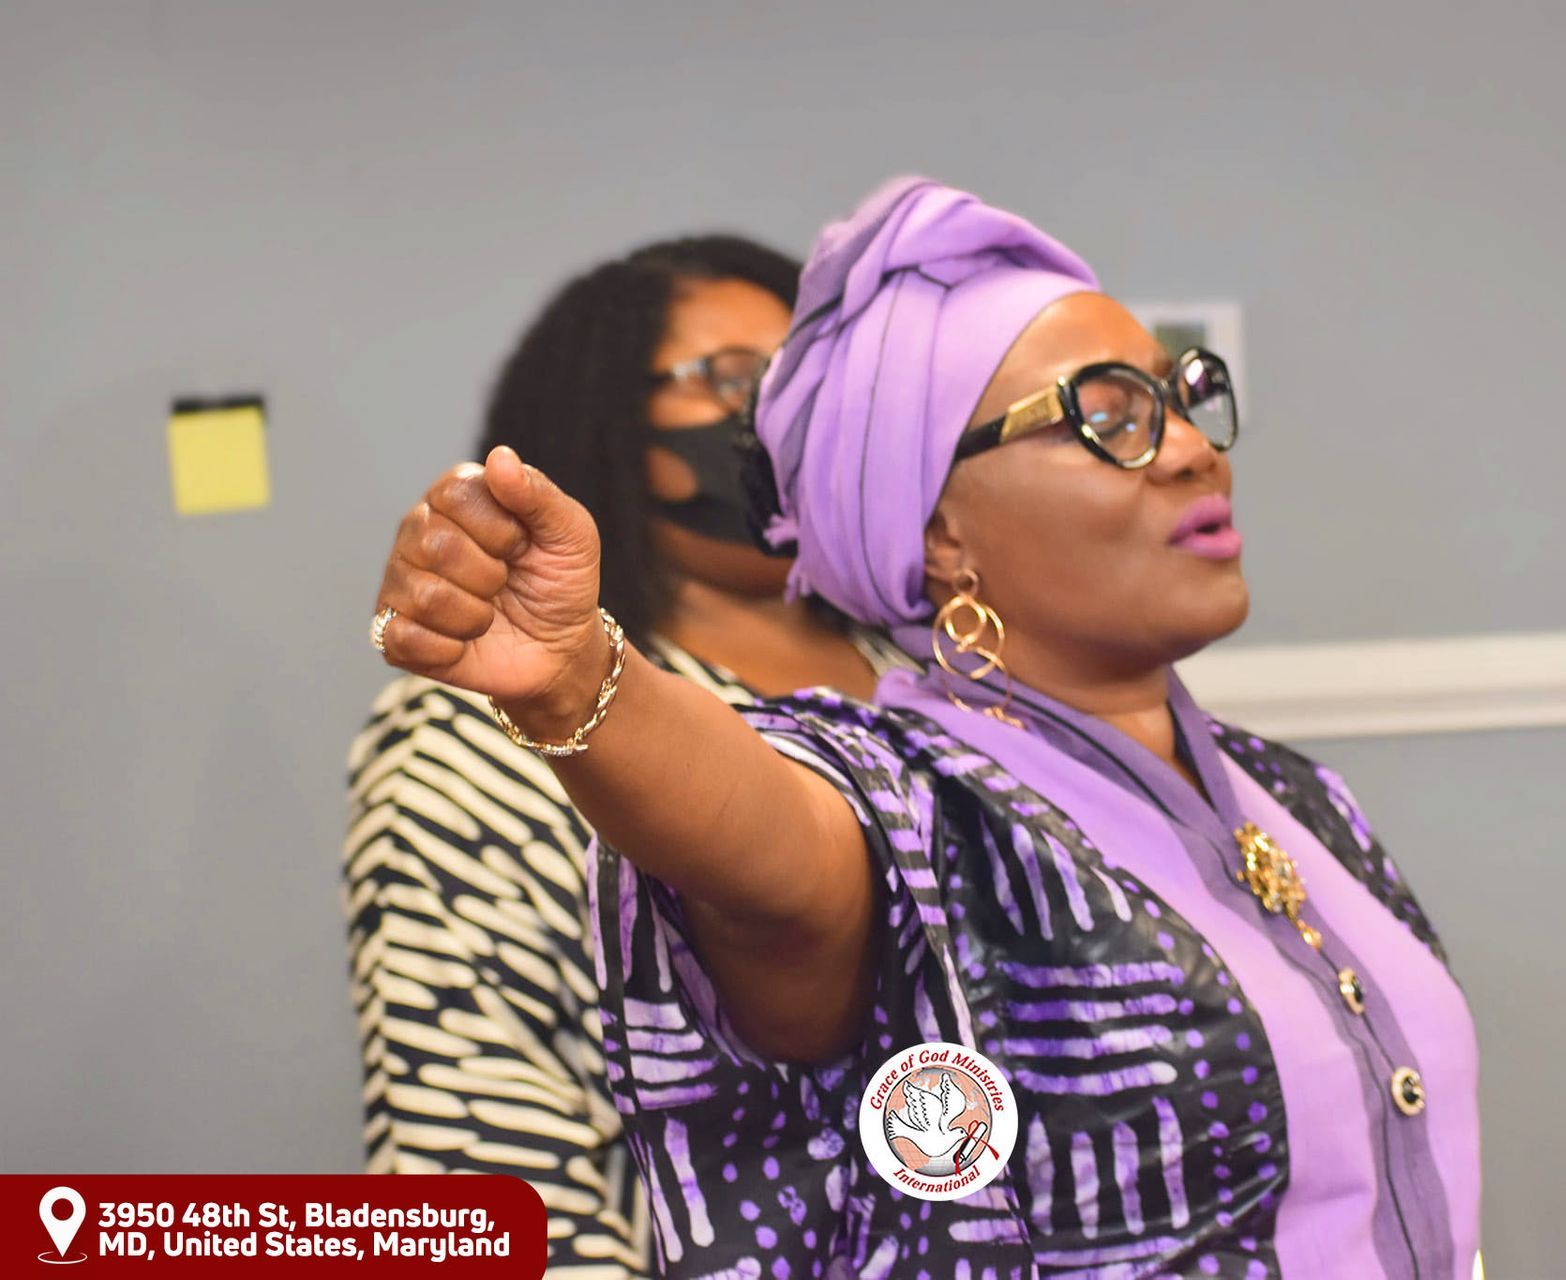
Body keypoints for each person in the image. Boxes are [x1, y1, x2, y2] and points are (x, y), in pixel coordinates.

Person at [369, 178, 1480, 1277]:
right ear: (940, 530)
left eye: (1179, 397)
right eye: (1108, 416)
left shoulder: (1299, 795)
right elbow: (772, 849)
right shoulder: (918, 798)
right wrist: (577, 681)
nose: (1191, 448)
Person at [345, 233, 901, 1278]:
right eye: (733, 377)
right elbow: (476, 1147)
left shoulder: (921, 664)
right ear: (610, 423)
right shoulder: (476, 734)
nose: (787, 405)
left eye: (812, 369)